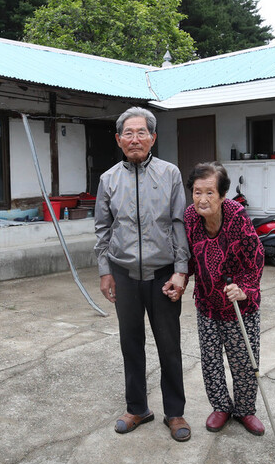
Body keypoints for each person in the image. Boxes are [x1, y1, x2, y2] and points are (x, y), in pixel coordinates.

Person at [94, 107, 191, 442]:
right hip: (123, 273)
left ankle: (175, 413)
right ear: (119, 139)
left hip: (163, 272)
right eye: (128, 133)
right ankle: (137, 408)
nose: (135, 139)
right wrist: (105, 272)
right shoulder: (108, 179)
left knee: (169, 344)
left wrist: (181, 270)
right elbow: (102, 230)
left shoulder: (170, 174)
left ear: (153, 137)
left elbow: (179, 224)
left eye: (141, 132)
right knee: (130, 343)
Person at [183, 161, 266, 436]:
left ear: (221, 195)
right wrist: (180, 279)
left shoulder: (237, 215)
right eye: (197, 192)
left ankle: (245, 410)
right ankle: (221, 407)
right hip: (207, 301)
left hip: (238, 303)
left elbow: (256, 258)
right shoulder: (190, 218)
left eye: (209, 192)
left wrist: (244, 289)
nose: (202, 199)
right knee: (210, 359)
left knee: (244, 360)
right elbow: (190, 259)